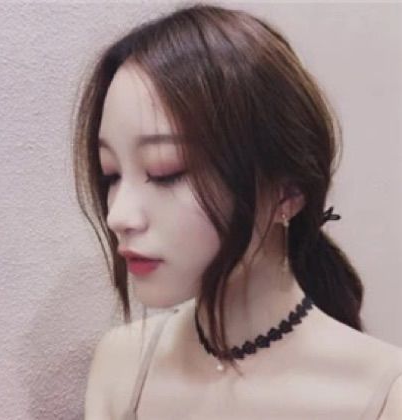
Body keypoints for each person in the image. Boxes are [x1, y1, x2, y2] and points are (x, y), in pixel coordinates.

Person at [72, 3, 402, 419]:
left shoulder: (383, 394)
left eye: (165, 171)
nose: (118, 216)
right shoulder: (122, 364)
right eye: (112, 174)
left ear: (287, 192)